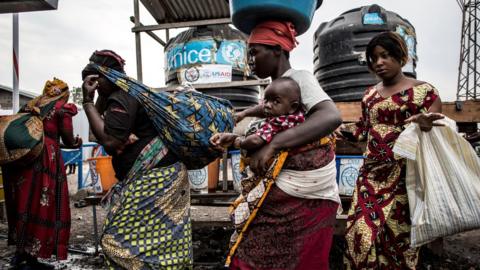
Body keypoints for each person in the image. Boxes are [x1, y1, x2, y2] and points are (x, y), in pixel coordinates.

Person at [227, 21, 343, 270]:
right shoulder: (279, 87)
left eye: (255, 52)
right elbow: (269, 106)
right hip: (284, 196)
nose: (251, 59)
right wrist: (244, 113)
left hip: (303, 196)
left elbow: (330, 116)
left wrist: (274, 145)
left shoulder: (299, 77)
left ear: (277, 50)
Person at [340, 31, 444, 269]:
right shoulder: (369, 95)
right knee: (360, 232)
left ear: (401, 57)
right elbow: (364, 129)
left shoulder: (424, 92)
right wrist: (341, 130)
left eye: (385, 55)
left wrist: (428, 126)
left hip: (405, 177)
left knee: (398, 238)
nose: (379, 62)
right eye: (374, 58)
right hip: (371, 176)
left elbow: (440, 131)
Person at [81, 50, 192, 269]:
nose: (92, 85)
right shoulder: (124, 94)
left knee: (117, 241)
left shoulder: (122, 97)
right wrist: (98, 97)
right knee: (162, 239)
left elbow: (110, 141)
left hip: (156, 179)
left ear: (106, 76)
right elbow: (97, 134)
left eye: (95, 79)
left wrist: (86, 101)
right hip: (158, 176)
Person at [2, 78, 82, 269]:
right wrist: (75, 143)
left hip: (25, 159)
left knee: (25, 203)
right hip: (47, 161)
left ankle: (20, 253)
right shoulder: (62, 109)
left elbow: (40, 134)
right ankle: (33, 254)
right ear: (63, 93)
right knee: (43, 205)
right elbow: (69, 140)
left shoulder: (32, 104)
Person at [210, 77, 305, 152]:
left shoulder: (278, 121)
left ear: (293, 107)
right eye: (266, 100)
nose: (267, 105)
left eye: (276, 101)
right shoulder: (299, 117)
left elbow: (255, 141)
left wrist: (238, 141)